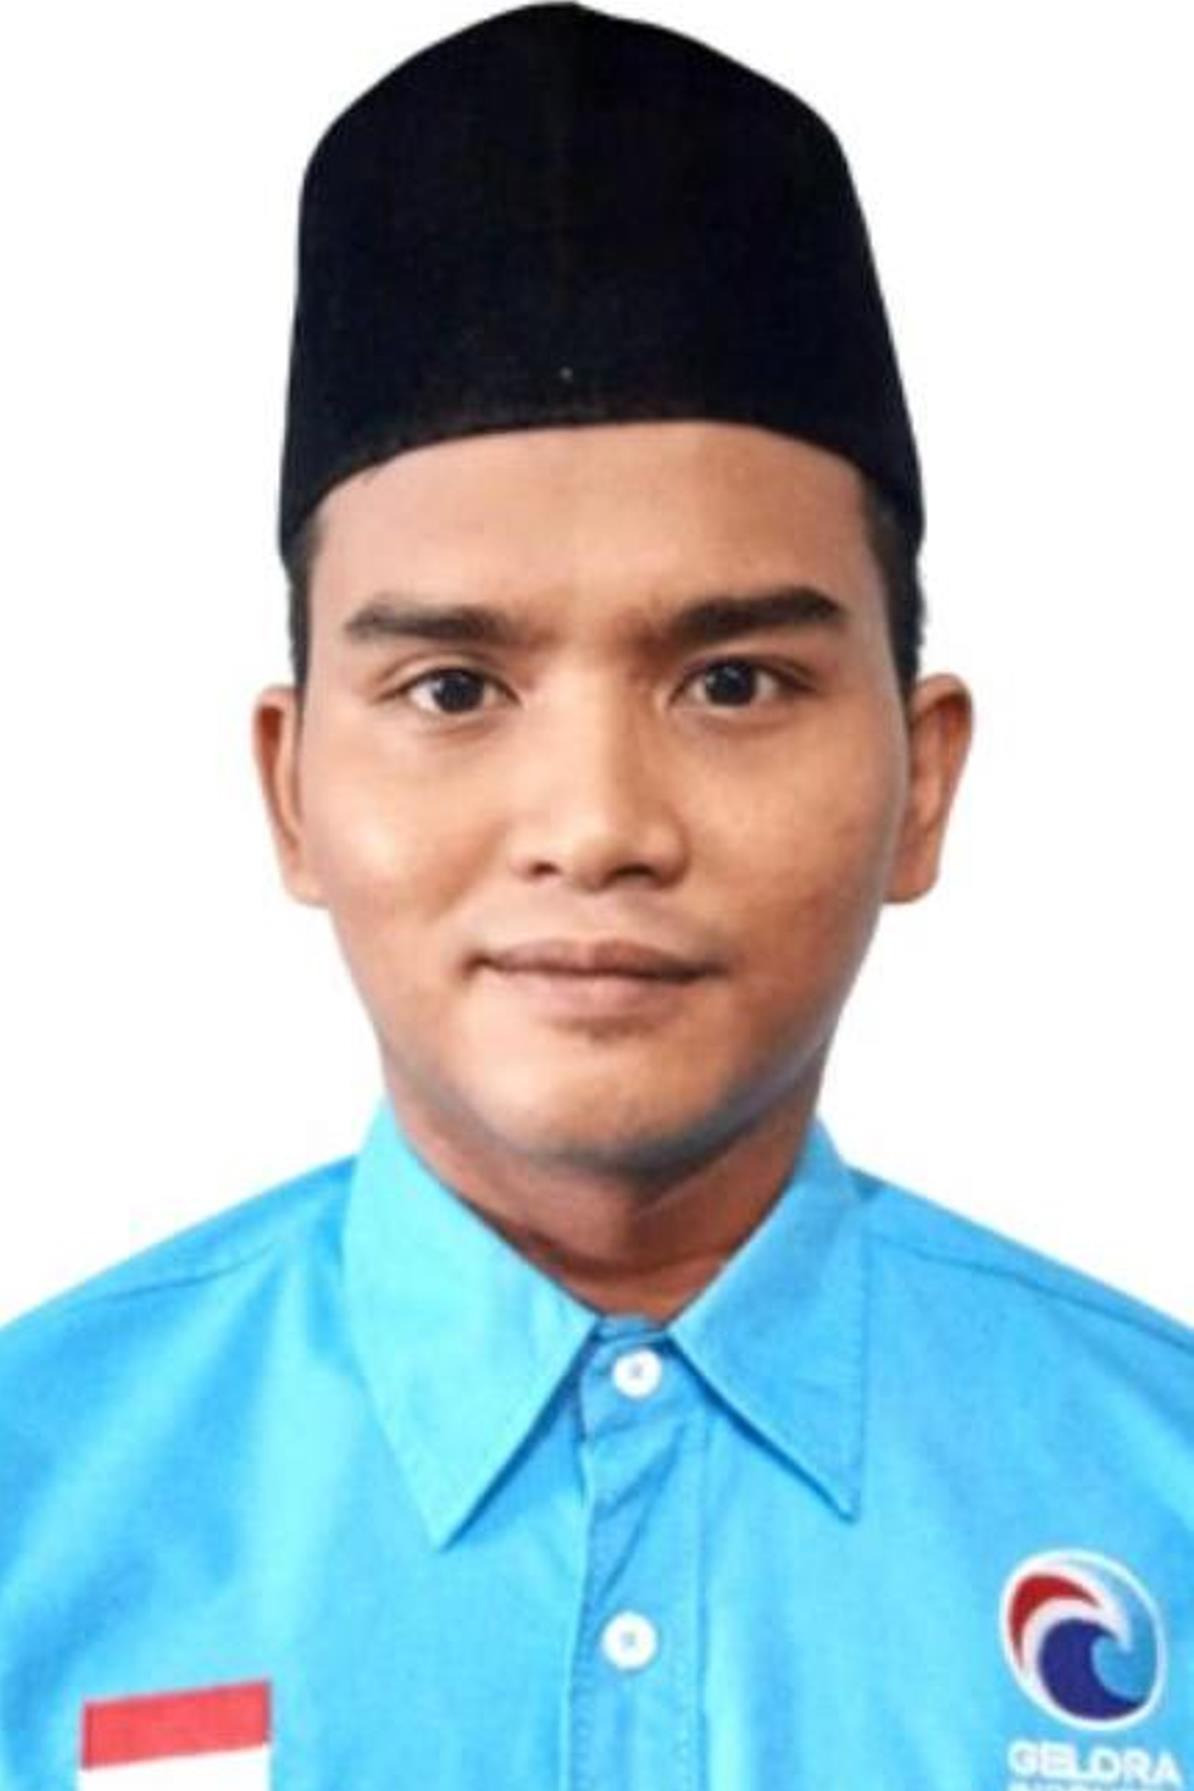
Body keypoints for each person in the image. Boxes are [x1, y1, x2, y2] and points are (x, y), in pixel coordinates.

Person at [2, 4, 1191, 1786]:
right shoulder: (36, 1504)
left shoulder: (1158, 1490)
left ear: (923, 779)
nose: (596, 824)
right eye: (452, 688)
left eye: (731, 681)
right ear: (293, 790)